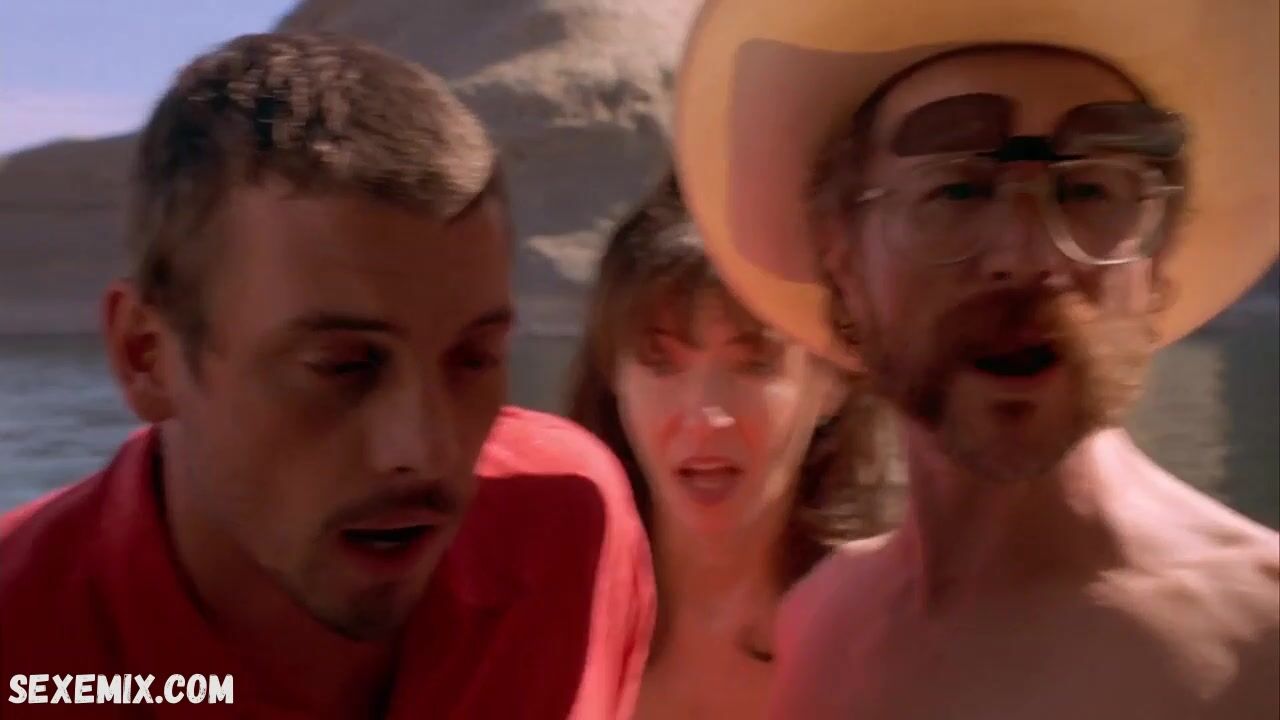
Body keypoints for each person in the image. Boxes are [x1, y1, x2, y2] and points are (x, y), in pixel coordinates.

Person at [0, 33, 652, 719]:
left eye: (475, 358)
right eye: (343, 367)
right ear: (145, 355)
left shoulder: (569, 531)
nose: (424, 449)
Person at [672, 1, 1279, 717]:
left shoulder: (1255, 642)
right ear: (843, 256)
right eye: (957, 190)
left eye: (1089, 190)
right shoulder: (820, 625)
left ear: (1157, 253)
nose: (1026, 256)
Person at [565, 171, 888, 719]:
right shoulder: (543, 616)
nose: (705, 417)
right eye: (661, 363)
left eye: (753, 364)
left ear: (832, 379)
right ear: (613, 376)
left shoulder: (888, 634)